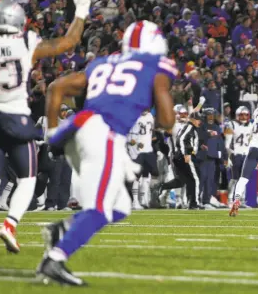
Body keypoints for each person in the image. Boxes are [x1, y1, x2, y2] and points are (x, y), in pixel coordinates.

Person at [0, 0, 92, 254]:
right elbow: (69, 41)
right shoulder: (25, 41)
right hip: (16, 117)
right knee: (27, 178)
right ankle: (10, 225)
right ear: (18, 20)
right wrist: (81, 10)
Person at [36, 20, 176, 286]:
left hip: (76, 131)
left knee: (120, 206)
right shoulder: (155, 66)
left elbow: (56, 88)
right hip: (104, 133)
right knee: (99, 209)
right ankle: (54, 259)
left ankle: (62, 230)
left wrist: (51, 132)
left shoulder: (104, 63)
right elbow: (168, 120)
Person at [158, 112, 202, 209]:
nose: (200, 121)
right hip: (181, 155)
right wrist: (187, 153)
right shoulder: (187, 126)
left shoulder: (187, 126)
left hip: (179, 155)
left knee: (184, 180)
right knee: (195, 179)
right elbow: (181, 139)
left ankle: (190, 201)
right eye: (198, 119)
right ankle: (193, 202)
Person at [128, 109, 157, 209]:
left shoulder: (150, 116)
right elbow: (130, 139)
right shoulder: (134, 117)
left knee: (147, 175)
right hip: (137, 151)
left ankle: (143, 200)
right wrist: (135, 145)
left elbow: (151, 132)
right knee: (136, 176)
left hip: (148, 150)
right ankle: (135, 202)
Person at [225, 106, 252, 208]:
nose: (244, 117)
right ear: (237, 115)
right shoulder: (231, 124)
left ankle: (241, 200)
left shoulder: (251, 125)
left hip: (246, 155)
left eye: (246, 115)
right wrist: (228, 157)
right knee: (235, 178)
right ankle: (230, 199)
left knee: (244, 179)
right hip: (235, 154)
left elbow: (251, 142)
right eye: (241, 115)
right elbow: (227, 144)